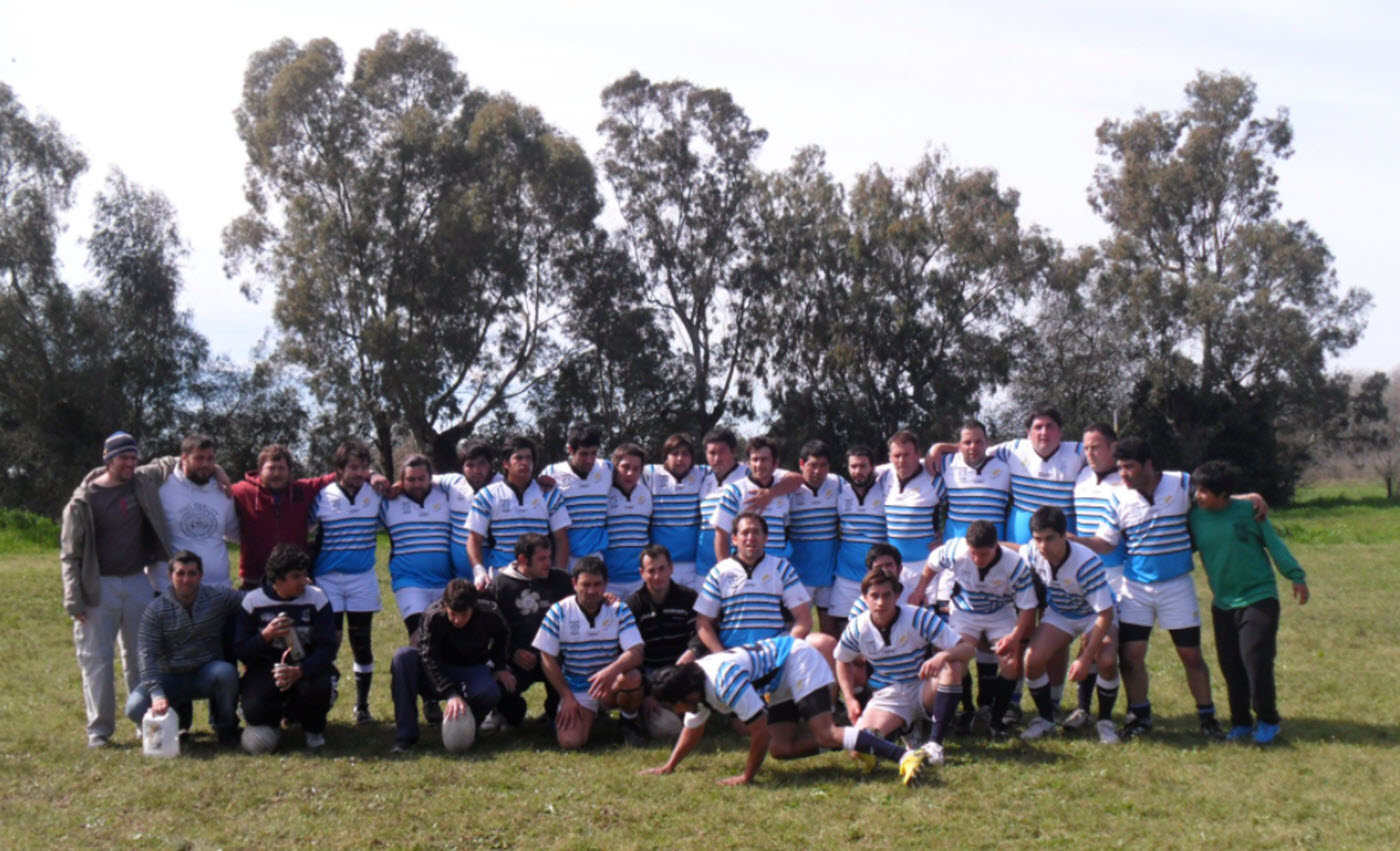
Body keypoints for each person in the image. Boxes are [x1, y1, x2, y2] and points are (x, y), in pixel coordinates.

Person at [1078, 437, 1222, 739]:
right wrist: (1071, 540)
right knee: (1131, 656)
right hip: (1135, 590)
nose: (1124, 474)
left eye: (1129, 467)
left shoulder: (1181, 483)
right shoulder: (1118, 498)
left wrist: (1251, 498)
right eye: (1120, 468)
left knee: (1190, 655)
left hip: (1177, 586)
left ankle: (1208, 718)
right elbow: (1105, 542)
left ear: (1149, 465)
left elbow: (1214, 497)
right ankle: (1140, 716)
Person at [643, 635, 930, 786]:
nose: (674, 710)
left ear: (685, 694)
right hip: (779, 676)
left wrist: (746, 777)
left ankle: (905, 756)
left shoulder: (721, 682)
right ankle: (866, 740)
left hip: (796, 659)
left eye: (672, 704)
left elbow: (759, 732)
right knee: (782, 749)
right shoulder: (696, 686)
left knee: (826, 733)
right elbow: (692, 730)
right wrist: (670, 766)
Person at [61, 431, 174, 747]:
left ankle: (144, 723)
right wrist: (74, 598)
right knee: (96, 659)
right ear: (108, 459)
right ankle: (99, 730)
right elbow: (70, 554)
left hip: (139, 581)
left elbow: (173, 461)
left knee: (142, 657)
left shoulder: (141, 481)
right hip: (98, 587)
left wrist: (218, 471)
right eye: (124, 457)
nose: (131, 463)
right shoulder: (83, 500)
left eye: (134, 457)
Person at [1189, 460, 1309, 745]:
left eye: (1205, 491)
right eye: (1197, 489)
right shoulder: (1195, 516)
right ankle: (1241, 722)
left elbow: (1274, 544)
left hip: (1259, 597)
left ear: (1223, 494)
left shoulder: (1249, 512)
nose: (1198, 496)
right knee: (1230, 664)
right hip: (1223, 602)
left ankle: (1268, 720)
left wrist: (1296, 576)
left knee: (1256, 660)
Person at [908, 521, 1037, 739]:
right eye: (973, 553)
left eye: (983, 554)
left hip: (1000, 612)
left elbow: (1028, 606)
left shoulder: (1014, 564)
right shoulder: (955, 550)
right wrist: (920, 590)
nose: (977, 559)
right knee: (956, 660)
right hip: (965, 611)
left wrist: (1015, 638)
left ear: (996, 546)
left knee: (1011, 662)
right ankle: (967, 711)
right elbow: (931, 564)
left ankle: (996, 720)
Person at [835, 570, 975, 766]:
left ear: (897, 595)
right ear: (865, 598)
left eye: (886, 595)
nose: (881, 602)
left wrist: (943, 655)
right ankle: (906, 731)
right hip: (889, 695)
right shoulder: (858, 627)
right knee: (859, 750)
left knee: (951, 665)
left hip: (922, 687)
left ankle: (935, 746)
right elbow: (842, 660)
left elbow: (968, 649)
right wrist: (849, 699)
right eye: (875, 596)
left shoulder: (917, 617)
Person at [1017, 507, 1121, 745]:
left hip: (1094, 615)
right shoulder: (1033, 552)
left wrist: (1085, 658)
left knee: (1105, 659)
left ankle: (1105, 721)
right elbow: (1017, 553)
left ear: (1065, 535)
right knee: (1031, 661)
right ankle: (1046, 719)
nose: (1043, 546)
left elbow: (1104, 614)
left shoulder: (1086, 563)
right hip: (1061, 613)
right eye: (1038, 539)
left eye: (1050, 538)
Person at [125, 550, 244, 746]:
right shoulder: (155, 610)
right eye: (180, 573)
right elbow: (147, 656)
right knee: (134, 707)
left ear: (201, 576)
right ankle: (174, 728)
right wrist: (157, 694)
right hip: (169, 677)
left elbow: (250, 599)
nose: (186, 579)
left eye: (192, 573)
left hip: (204, 674)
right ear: (170, 576)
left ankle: (226, 729)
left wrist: (287, 590)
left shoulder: (217, 597)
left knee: (227, 672)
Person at [533, 557, 646, 748]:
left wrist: (610, 671)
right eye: (586, 584)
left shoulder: (619, 609)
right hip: (578, 688)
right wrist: (566, 696)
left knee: (632, 677)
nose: (592, 591)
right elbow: (547, 657)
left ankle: (629, 721)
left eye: (597, 584)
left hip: (610, 685)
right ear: (574, 583)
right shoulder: (559, 611)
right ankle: (590, 715)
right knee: (570, 742)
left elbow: (636, 652)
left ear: (606, 584)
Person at [389, 579, 514, 751]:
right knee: (403, 657)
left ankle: (468, 725)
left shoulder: (489, 613)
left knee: (489, 691)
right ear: (445, 605)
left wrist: (500, 666)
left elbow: (503, 634)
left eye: (464, 614)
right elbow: (428, 657)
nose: (457, 620)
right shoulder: (433, 616)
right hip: (436, 670)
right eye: (453, 613)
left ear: (474, 607)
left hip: (471, 670)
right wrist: (450, 693)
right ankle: (406, 736)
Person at [235, 544, 338, 750]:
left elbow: (328, 648)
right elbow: (241, 650)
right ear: (278, 580)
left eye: (305, 574)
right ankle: (271, 722)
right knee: (255, 710)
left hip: (306, 664)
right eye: (296, 576)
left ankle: (313, 728)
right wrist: (266, 636)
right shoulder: (252, 601)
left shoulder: (316, 597)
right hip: (266, 667)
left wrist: (300, 671)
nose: (304, 581)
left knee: (319, 686)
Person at [309, 440, 383, 723]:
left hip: (362, 578)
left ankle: (362, 706)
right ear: (338, 469)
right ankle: (325, 695)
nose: (359, 472)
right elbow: (305, 529)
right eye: (353, 467)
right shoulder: (323, 496)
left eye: (364, 467)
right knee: (331, 641)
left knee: (361, 642)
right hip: (327, 579)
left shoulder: (375, 495)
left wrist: (377, 477)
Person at [483, 533, 574, 729]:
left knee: (571, 672)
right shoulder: (501, 585)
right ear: (523, 559)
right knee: (498, 684)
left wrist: (607, 598)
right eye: (542, 559)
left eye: (549, 557)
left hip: (554, 658)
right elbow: (490, 632)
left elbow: (584, 600)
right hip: (516, 661)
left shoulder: (561, 580)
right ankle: (508, 712)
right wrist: (512, 653)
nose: (548, 563)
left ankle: (555, 712)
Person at [695, 512, 815, 652]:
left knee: (824, 643)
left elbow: (804, 619)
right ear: (734, 539)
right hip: (734, 655)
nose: (750, 538)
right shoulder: (719, 572)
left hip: (773, 654)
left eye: (756, 532)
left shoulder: (781, 568)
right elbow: (703, 623)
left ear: (765, 538)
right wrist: (722, 656)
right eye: (745, 533)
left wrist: (784, 650)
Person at [467, 435, 571, 585]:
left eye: (529, 458)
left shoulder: (548, 494)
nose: (525, 462)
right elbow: (474, 539)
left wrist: (558, 576)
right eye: (519, 458)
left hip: (539, 578)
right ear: (506, 464)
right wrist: (479, 571)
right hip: (502, 576)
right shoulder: (487, 495)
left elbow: (561, 539)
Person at [231, 444, 336, 590]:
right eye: (271, 468)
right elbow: (217, 487)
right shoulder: (242, 491)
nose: (276, 474)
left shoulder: (302, 490)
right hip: (254, 579)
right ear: (261, 470)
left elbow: (336, 476)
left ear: (289, 470)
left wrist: (371, 474)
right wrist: (218, 471)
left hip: (293, 579)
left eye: (281, 468)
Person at [149, 434, 239, 590]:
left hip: (218, 589)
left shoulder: (223, 492)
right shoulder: (161, 487)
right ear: (183, 458)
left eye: (210, 459)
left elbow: (234, 533)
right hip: (170, 590)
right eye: (199, 458)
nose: (205, 464)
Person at [379, 455, 454, 639]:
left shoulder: (446, 497)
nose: (417, 484)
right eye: (411, 479)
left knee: (446, 637)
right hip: (409, 583)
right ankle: (413, 667)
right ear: (401, 480)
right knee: (419, 635)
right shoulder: (388, 502)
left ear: (431, 478)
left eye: (422, 478)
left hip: (446, 583)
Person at [626, 545, 698, 736]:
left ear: (671, 568)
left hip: (680, 670)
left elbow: (700, 634)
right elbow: (629, 651)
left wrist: (692, 650)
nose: (657, 576)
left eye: (662, 568)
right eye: (651, 571)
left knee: (690, 717)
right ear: (642, 573)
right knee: (668, 730)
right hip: (650, 675)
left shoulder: (688, 598)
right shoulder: (633, 605)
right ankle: (637, 715)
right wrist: (649, 693)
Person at [830, 444, 889, 627]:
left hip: (877, 575)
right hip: (846, 576)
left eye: (863, 466)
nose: (858, 471)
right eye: (853, 466)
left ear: (872, 467)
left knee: (879, 625)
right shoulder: (840, 491)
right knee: (843, 627)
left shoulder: (886, 489)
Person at [787, 440, 842, 635]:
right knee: (797, 629)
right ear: (801, 464)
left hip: (829, 573)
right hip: (800, 574)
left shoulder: (837, 483)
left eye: (823, 465)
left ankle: (827, 665)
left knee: (828, 631)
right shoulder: (790, 489)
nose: (818, 471)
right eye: (812, 465)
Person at [643, 434, 706, 591]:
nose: (680, 459)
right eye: (675, 453)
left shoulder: (702, 473)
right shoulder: (650, 474)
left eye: (685, 454)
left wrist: (772, 492)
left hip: (693, 565)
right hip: (661, 564)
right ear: (666, 456)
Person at [542, 424, 611, 566]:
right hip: (564, 559)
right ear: (571, 450)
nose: (589, 460)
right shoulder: (551, 472)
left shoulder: (607, 468)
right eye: (584, 454)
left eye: (594, 453)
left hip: (596, 557)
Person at [882, 430, 947, 568]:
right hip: (894, 565)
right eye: (897, 456)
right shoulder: (884, 477)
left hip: (927, 563)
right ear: (890, 457)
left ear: (918, 454)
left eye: (906, 455)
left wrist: (945, 536)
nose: (901, 460)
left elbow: (959, 507)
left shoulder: (934, 479)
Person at [938, 419, 1011, 542]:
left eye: (978, 442)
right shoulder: (946, 463)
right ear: (959, 446)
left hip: (993, 544)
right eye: (967, 442)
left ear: (987, 443)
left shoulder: (1005, 466)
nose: (973, 447)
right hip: (956, 543)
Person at [439, 439, 501, 580]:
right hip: (459, 576)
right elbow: (423, 478)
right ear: (462, 467)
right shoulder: (454, 483)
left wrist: (543, 482)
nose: (476, 471)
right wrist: (399, 485)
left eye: (482, 463)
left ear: (491, 464)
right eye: (470, 465)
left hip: (492, 574)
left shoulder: (504, 485)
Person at [603, 443, 652, 599]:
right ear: (615, 467)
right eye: (625, 467)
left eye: (636, 468)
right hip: (609, 581)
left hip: (639, 580)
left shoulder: (647, 493)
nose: (630, 473)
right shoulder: (603, 493)